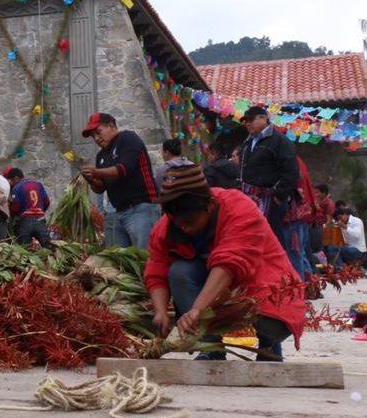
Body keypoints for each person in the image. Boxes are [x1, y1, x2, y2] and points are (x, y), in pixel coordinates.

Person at [145, 163, 305, 361]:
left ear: (210, 205)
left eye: (191, 221)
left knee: (274, 321)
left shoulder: (239, 208)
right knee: (179, 272)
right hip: (212, 285)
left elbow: (228, 265)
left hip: (257, 281)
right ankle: (210, 346)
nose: (185, 229)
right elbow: (157, 269)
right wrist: (160, 312)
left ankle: (269, 346)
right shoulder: (167, 226)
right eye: (179, 223)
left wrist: (197, 310)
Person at [80, 113, 159, 249]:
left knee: (145, 257)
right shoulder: (101, 156)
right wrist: (91, 179)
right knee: (119, 260)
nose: (97, 139)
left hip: (141, 208)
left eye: (98, 133)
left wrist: (95, 172)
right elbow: (100, 188)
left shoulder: (128, 138)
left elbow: (122, 169)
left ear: (111, 125)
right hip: (118, 212)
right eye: (93, 136)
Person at [237, 105, 299, 239]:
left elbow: (291, 171)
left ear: (263, 118)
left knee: (272, 239)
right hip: (250, 198)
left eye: (251, 120)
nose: (247, 123)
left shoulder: (280, 141)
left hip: (271, 200)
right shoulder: (249, 141)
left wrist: (279, 195)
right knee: (252, 237)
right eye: (245, 120)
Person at [8, 168, 51, 248]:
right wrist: (40, 211)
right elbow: (47, 201)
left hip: (25, 221)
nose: (12, 184)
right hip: (40, 220)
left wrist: (12, 215)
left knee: (25, 250)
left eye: (12, 181)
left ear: (16, 178)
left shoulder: (17, 187)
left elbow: (16, 207)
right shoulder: (39, 184)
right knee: (48, 247)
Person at [307, 183, 333, 267]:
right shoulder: (318, 202)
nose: (316, 194)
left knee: (319, 250)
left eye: (318, 192)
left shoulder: (329, 203)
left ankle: (325, 266)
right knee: (314, 248)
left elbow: (329, 219)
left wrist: (324, 229)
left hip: (320, 227)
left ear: (324, 193)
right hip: (313, 226)